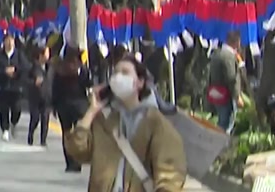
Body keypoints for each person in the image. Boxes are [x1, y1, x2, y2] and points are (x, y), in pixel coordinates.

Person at [63, 56, 187, 192]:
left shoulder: (157, 123)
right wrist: (92, 111)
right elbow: (77, 150)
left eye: (125, 72)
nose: (118, 77)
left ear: (140, 82)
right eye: (115, 72)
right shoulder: (104, 119)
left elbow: (170, 175)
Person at [49, 46, 92, 173]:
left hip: (63, 106)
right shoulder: (81, 68)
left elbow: (55, 88)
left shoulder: (60, 69)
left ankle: (70, 162)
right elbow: (88, 84)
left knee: (66, 134)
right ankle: (78, 160)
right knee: (79, 133)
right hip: (79, 105)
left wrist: (54, 105)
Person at [0, 35, 28, 140]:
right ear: (4, 42)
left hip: (16, 87)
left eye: (11, 41)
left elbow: (26, 67)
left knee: (16, 108)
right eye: (7, 41)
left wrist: (15, 70)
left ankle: (14, 123)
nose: (9, 43)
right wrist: (4, 71)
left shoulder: (19, 54)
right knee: (3, 109)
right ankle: (5, 129)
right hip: (2, 86)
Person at [205, 30, 245, 132]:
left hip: (216, 92)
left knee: (222, 121)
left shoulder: (217, 53)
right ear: (237, 42)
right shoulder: (228, 57)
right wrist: (237, 96)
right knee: (226, 123)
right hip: (226, 95)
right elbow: (231, 78)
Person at [26, 45, 51, 147]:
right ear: (41, 55)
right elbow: (25, 80)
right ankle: (30, 134)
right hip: (35, 97)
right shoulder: (32, 67)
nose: (48, 56)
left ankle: (43, 140)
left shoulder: (50, 67)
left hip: (47, 97)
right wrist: (34, 82)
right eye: (46, 53)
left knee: (45, 118)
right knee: (35, 118)